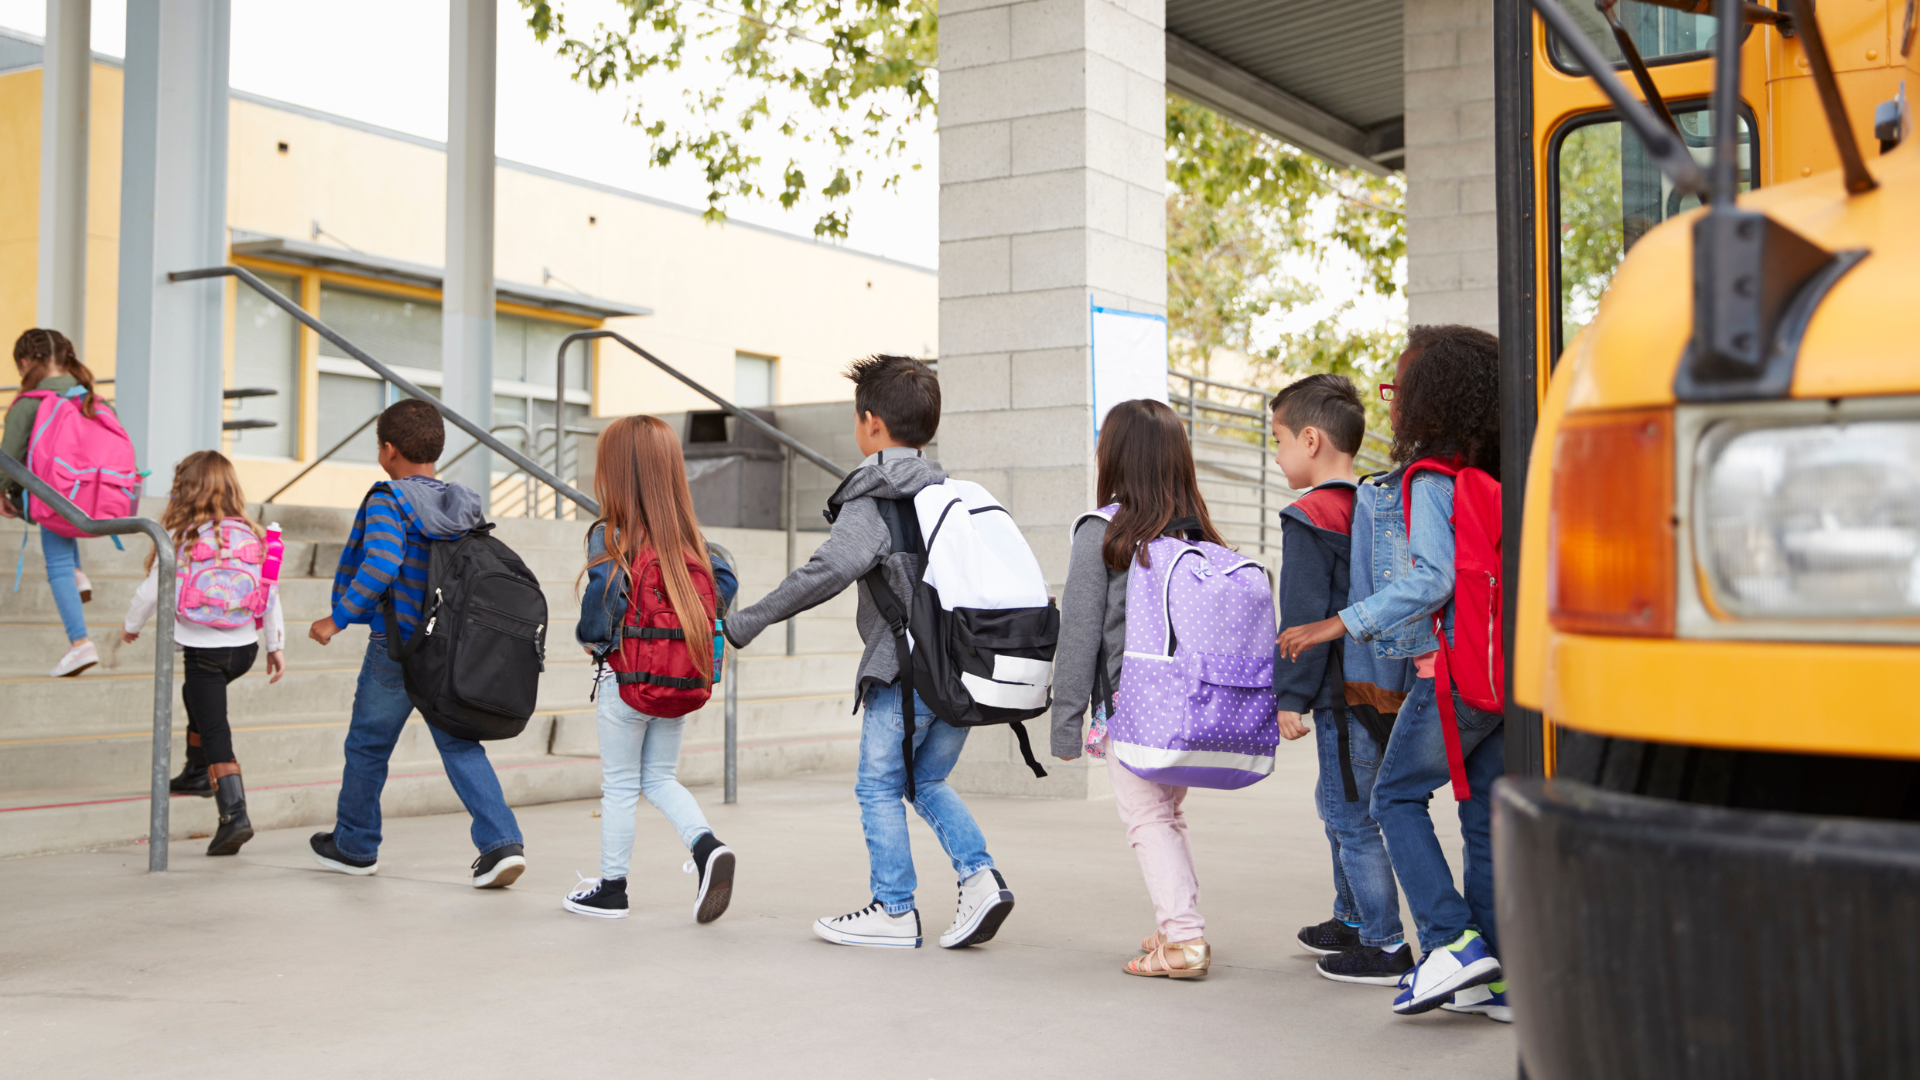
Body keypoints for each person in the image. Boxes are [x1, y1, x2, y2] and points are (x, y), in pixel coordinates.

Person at [724, 355, 1014, 950]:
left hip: (905, 670)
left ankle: (894, 907)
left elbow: (829, 568)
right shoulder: (950, 492)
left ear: (871, 423)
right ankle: (980, 877)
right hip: (963, 670)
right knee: (926, 780)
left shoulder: (877, 495)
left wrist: (746, 621)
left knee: (879, 785)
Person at [1278, 325, 1507, 1018]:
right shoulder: (1497, 475)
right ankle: (1497, 975)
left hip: (1453, 672)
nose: (1393, 405)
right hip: (1502, 672)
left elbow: (1431, 579)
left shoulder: (1430, 479)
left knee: (1394, 798)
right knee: (1482, 816)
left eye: (1400, 389)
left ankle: (1449, 940)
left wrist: (1336, 623)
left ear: (1430, 401)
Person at [305, 398, 528, 888]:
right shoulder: (462, 503)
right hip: (448, 649)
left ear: (388, 450)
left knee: (367, 746)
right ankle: (501, 844)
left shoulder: (390, 500)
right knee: (459, 743)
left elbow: (382, 561)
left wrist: (337, 619)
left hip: (397, 649)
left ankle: (355, 845)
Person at [1051, 398, 1230, 979]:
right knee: (1167, 815)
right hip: (1191, 703)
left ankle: (1184, 941)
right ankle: (1177, 922)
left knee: (1145, 818)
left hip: (1134, 704)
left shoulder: (1102, 532)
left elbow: (1078, 635)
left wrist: (1065, 720)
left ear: (1115, 457)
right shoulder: (1200, 536)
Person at [562, 414, 742, 923]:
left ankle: (612, 889)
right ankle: (707, 847)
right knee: (660, 777)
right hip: (678, 678)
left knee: (620, 786)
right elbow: (724, 590)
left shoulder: (610, 536)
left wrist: (592, 641)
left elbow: (599, 613)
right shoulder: (695, 544)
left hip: (627, 683)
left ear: (615, 473)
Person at [1267, 375, 1415, 987]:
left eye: (1277, 440)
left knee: (1351, 813)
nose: (1276, 455)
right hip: (1384, 684)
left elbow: (1300, 614)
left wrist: (1288, 697)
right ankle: (1350, 917)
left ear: (1310, 438)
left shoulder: (1309, 515)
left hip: (1338, 692)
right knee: (1342, 805)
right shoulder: (1374, 506)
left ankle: (1383, 943)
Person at [122, 451, 286, 855]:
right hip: (244, 647)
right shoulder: (255, 535)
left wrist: (131, 625)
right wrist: (275, 645)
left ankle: (234, 816)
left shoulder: (183, 537)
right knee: (193, 698)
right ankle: (196, 771)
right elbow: (271, 594)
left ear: (185, 489)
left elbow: (149, 593)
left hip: (204, 651)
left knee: (215, 729)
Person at [2, 329, 101, 677]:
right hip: (93, 495)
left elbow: (7, 457)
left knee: (55, 563)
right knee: (65, 539)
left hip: (52, 496)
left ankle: (80, 643)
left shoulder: (31, 402)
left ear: (28, 362)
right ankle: (78, 575)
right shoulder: (90, 396)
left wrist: (1, 493)